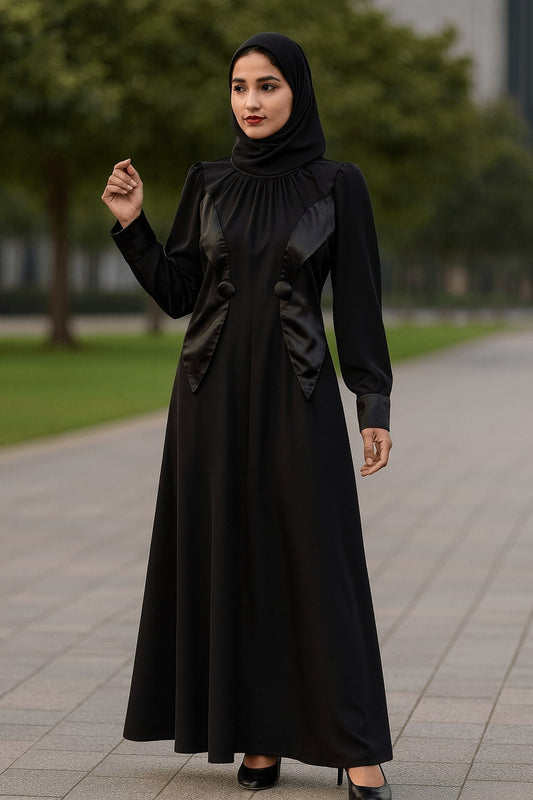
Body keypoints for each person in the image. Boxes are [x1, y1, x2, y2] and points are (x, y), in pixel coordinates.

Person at [102, 31, 393, 800]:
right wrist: (132, 224)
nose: (251, 102)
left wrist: (372, 401)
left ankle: (355, 746)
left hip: (298, 399)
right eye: (239, 88)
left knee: (317, 564)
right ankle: (256, 739)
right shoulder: (207, 182)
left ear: (295, 91)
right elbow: (177, 294)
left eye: (266, 86)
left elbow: (358, 301)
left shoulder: (338, 184)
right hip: (209, 397)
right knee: (234, 557)